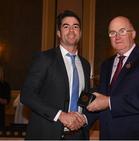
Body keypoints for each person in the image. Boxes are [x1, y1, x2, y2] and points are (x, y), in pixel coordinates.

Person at [87, 16, 139, 139]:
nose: (117, 37)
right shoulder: (106, 64)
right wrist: (82, 119)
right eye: (112, 33)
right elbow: (100, 99)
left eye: (122, 31)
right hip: (108, 135)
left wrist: (109, 102)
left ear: (133, 34)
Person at [20, 10, 91, 140]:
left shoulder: (85, 65)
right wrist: (60, 115)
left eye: (75, 26)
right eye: (66, 26)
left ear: (80, 33)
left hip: (78, 136)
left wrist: (85, 117)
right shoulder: (45, 58)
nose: (71, 30)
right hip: (47, 134)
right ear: (59, 33)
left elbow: (84, 98)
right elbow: (27, 94)